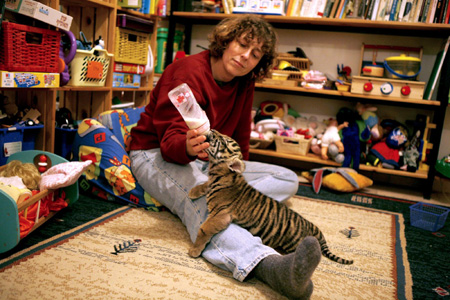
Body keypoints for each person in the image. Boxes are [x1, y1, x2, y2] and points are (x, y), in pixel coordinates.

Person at [130, 15, 321, 299]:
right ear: (226, 41)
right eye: (242, 45)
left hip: (211, 162)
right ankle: (270, 267)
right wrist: (188, 147)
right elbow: (170, 143)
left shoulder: (245, 81)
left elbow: (241, 137)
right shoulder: (186, 72)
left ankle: (231, 209)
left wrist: (235, 178)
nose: (246, 57)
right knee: (211, 208)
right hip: (156, 153)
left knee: (285, 178)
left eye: (255, 54)